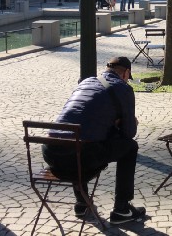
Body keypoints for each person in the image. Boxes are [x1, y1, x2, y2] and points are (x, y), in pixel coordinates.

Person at [42, 56, 145, 225]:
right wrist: (130, 122)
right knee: (130, 147)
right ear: (126, 73)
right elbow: (129, 133)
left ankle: (82, 203)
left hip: (51, 155)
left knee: (81, 141)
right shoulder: (124, 88)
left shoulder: (86, 82)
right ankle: (122, 209)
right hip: (79, 159)